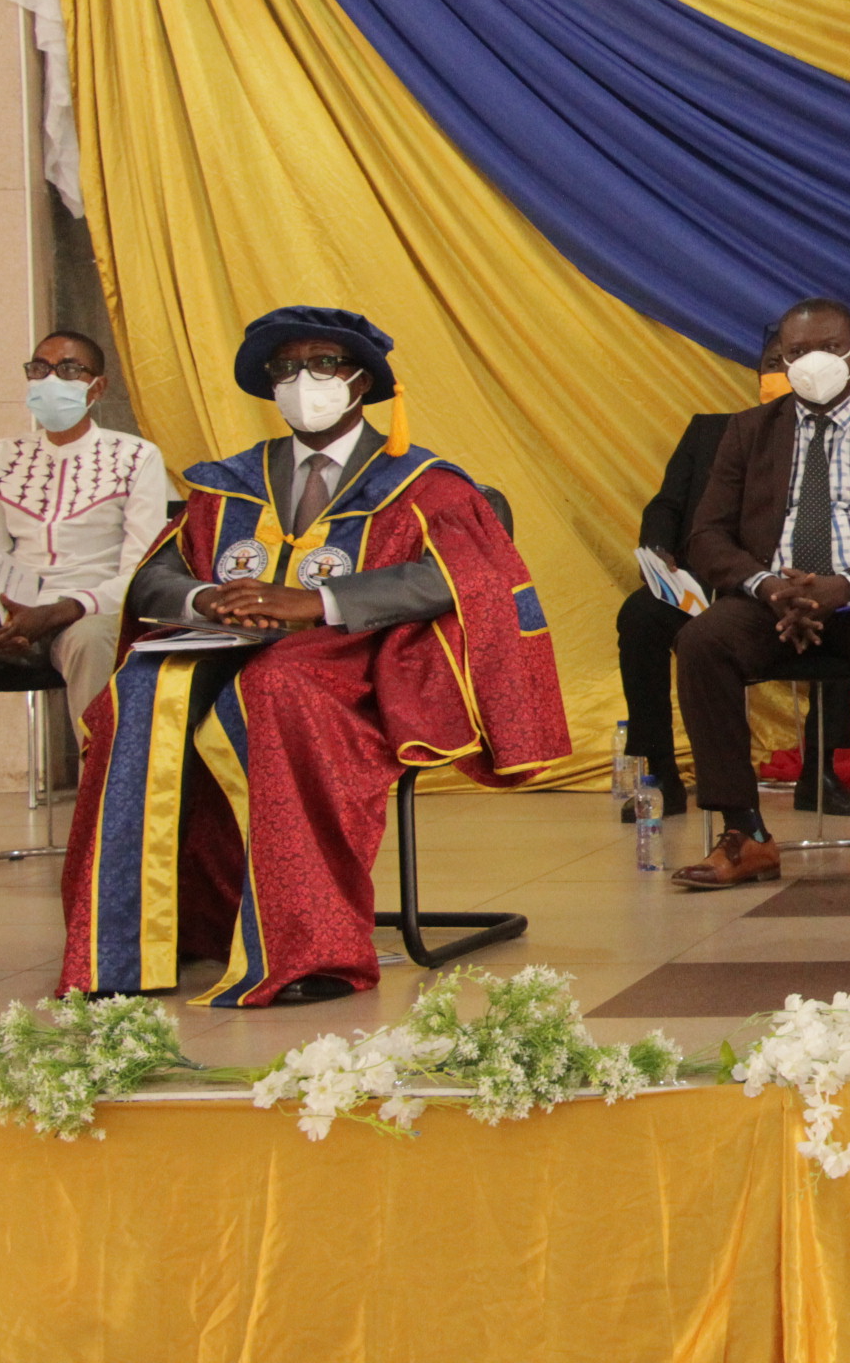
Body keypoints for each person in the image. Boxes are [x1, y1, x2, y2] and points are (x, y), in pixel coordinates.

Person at [59, 307, 567, 1006]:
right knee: (139, 694)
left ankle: (312, 949)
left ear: (362, 380)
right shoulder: (228, 482)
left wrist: (316, 604)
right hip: (229, 651)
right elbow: (154, 578)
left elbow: (466, 575)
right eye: (286, 368)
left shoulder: (422, 484)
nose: (304, 380)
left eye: (322, 364)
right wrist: (207, 597)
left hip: (358, 670)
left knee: (276, 690)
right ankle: (139, 937)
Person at [671, 299, 850, 890]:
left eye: (828, 348)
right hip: (768, 602)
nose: (813, 361)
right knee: (701, 641)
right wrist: (768, 584)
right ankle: (745, 832)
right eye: (797, 352)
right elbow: (707, 534)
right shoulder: (748, 432)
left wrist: (844, 585)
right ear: (781, 359)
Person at [619, 349, 850, 820]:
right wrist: (659, 550)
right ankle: (659, 771)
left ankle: (819, 772)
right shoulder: (713, 430)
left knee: (835, 603)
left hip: (798, 581)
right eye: (775, 361)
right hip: (709, 584)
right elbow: (666, 504)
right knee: (640, 614)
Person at [0, 331, 168, 728]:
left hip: (88, 617)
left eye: (68, 369)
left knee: (91, 643)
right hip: (8, 624)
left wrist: (58, 612)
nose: (50, 380)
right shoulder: (0, 457)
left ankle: (100, 787)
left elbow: (142, 571)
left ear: (97, 387)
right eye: (39, 368)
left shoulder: (135, 457)